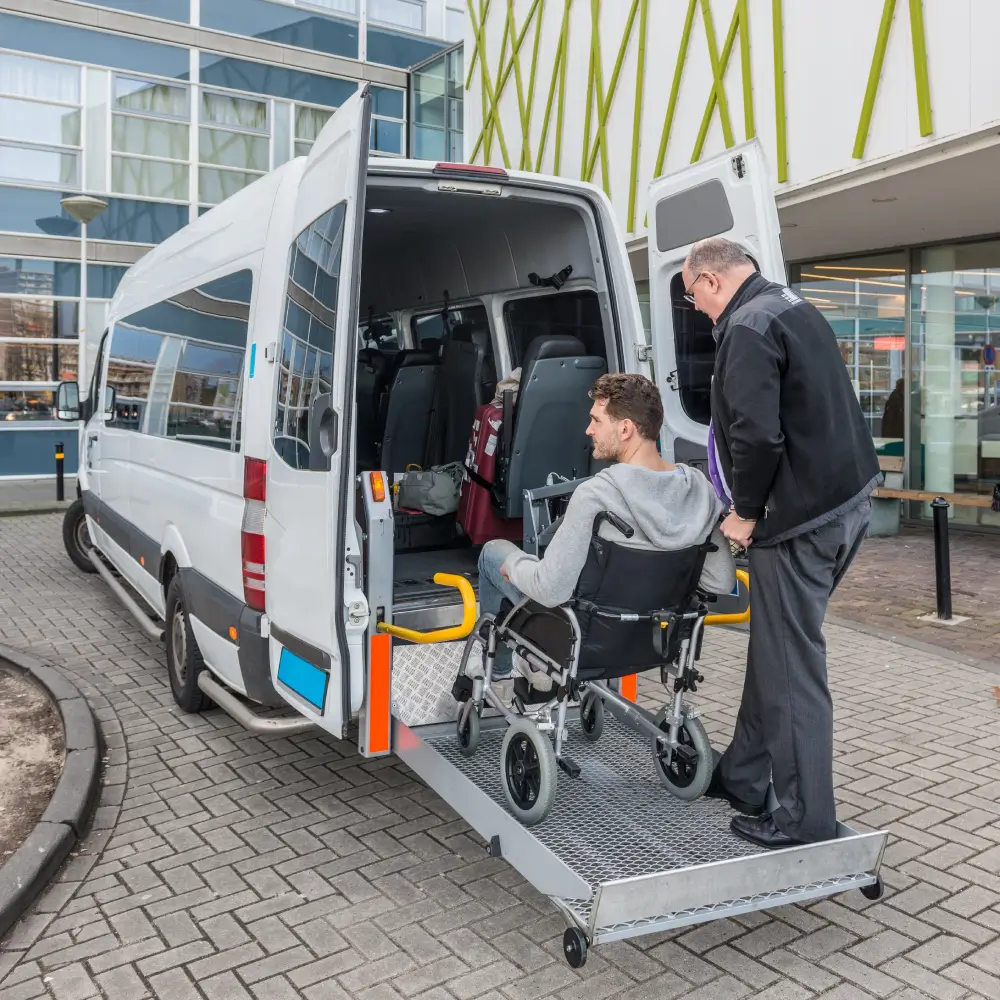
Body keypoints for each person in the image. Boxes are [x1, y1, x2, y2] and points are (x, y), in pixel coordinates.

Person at [681, 236, 879, 850]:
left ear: (713, 281)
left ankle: (802, 819)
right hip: (847, 503)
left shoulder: (745, 328)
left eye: (693, 297)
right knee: (777, 649)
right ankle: (743, 775)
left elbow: (757, 438)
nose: (697, 309)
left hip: (798, 522)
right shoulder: (791, 305)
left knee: (793, 669)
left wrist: (742, 513)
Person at [476, 372, 735, 678]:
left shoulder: (597, 494)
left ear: (626, 428)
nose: (589, 430)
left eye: (596, 421)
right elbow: (720, 581)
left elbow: (551, 589)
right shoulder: (701, 492)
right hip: (655, 641)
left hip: (583, 639)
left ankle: (499, 669)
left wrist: (516, 566)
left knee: (493, 553)